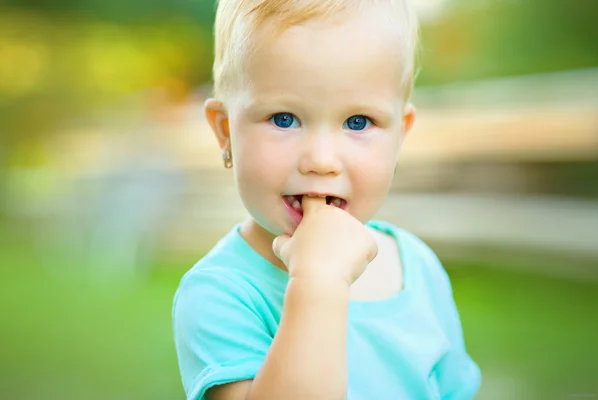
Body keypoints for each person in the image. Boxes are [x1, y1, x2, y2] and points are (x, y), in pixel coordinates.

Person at [173, 0, 481, 399]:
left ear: (399, 137)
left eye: (358, 122)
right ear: (225, 132)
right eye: (284, 118)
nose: (321, 161)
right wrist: (318, 283)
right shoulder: (221, 295)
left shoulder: (418, 269)